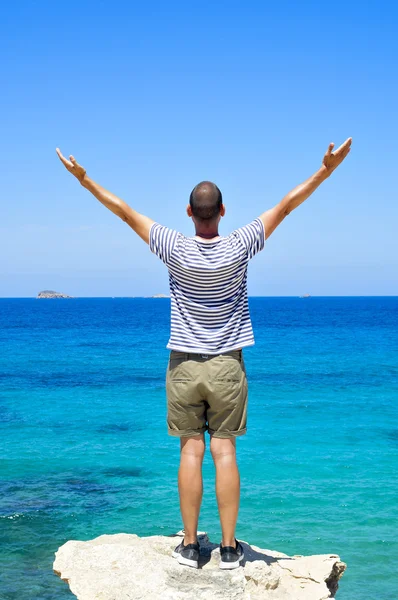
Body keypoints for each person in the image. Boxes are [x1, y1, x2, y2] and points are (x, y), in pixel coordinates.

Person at [56, 137, 352, 570]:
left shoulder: (173, 246)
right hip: (227, 365)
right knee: (225, 451)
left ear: (190, 213)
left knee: (190, 451)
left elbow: (122, 211)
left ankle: (192, 547)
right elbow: (287, 206)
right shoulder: (240, 245)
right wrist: (326, 170)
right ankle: (230, 550)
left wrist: (83, 180)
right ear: (224, 212)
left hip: (183, 366)